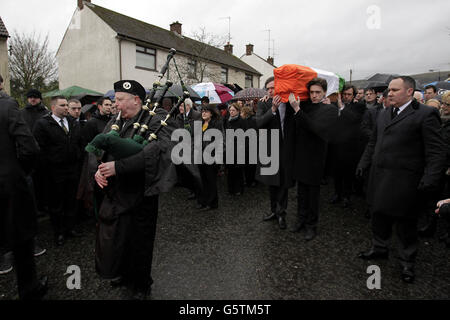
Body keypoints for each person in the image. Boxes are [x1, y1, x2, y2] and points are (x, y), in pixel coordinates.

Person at [357, 76, 446, 283]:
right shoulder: (383, 113)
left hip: (406, 181)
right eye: (389, 90)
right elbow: (373, 143)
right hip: (379, 178)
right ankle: (379, 247)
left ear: (409, 92)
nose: (390, 93)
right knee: (378, 216)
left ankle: (407, 261)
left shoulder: (425, 114)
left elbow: (436, 151)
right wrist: (363, 163)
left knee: (406, 224)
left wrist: (431, 178)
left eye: (395, 90)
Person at [94, 80, 177, 299]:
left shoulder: (156, 120)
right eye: (115, 100)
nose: (116, 105)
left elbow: (156, 152)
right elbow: (100, 146)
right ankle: (124, 273)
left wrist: (119, 167)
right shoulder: (116, 120)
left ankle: (141, 284)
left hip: (142, 193)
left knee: (140, 241)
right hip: (118, 193)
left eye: (120, 100)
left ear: (136, 100)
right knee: (120, 237)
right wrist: (98, 169)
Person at [0, 92, 47, 299]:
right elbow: (29, 148)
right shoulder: (8, 106)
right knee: (21, 239)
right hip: (9, 185)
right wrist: (20, 173)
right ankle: (29, 290)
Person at [288, 78, 338, 240]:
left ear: (324, 93)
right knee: (301, 193)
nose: (314, 95)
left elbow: (316, 129)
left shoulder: (329, 109)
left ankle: (311, 225)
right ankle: (300, 220)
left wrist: (297, 109)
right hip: (301, 156)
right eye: (312, 92)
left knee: (313, 196)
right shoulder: (306, 107)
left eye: (318, 92)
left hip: (316, 159)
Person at [33, 96, 83, 246]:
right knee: (56, 204)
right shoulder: (43, 124)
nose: (67, 108)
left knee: (70, 201)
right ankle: (58, 232)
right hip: (54, 172)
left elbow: (79, 142)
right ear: (53, 107)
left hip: (72, 169)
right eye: (63, 105)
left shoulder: (73, 123)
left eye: (67, 105)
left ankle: (70, 228)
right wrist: (50, 164)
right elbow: (39, 149)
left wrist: (77, 157)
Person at [256, 76, 296, 230]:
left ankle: (281, 213)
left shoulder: (289, 103)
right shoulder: (263, 103)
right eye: (268, 88)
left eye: (273, 87)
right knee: (272, 183)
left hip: (286, 149)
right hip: (270, 149)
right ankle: (274, 210)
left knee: (283, 183)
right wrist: (272, 109)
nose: (271, 91)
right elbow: (258, 123)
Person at [328, 85, 367, 208]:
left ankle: (346, 196)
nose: (346, 96)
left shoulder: (359, 106)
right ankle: (337, 193)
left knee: (348, 173)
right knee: (336, 172)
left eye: (349, 94)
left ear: (354, 95)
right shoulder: (333, 106)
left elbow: (354, 119)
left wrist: (342, 107)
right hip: (335, 145)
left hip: (350, 147)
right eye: (344, 94)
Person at [196, 104, 223, 211]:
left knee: (211, 181)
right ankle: (204, 201)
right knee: (203, 180)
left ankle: (212, 203)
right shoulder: (200, 124)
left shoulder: (216, 124)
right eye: (202, 111)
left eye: (206, 111)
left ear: (211, 113)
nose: (203, 113)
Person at [224, 103, 247, 196]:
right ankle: (231, 189)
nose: (231, 112)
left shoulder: (242, 121)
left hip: (238, 149)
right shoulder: (228, 120)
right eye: (230, 110)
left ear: (238, 111)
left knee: (238, 171)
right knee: (230, 171)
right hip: (230, 148)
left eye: (233, 110)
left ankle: (239, 189)